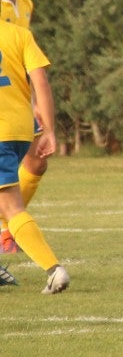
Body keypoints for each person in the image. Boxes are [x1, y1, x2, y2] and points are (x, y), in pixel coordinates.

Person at [0, 19, 70, 293]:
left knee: (10, 207)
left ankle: (54, 270)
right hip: (20, 128)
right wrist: (49, 129)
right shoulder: (19, 34)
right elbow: (40, 81)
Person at [0, 0, 51, 256]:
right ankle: (8, 228)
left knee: (37, 161)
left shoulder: (26, 5)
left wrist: (32, 98)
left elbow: (22, 59)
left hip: (18, 99)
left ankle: (7, 226)